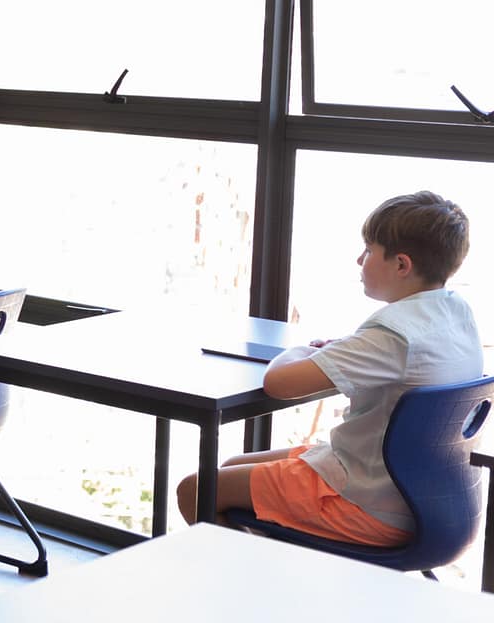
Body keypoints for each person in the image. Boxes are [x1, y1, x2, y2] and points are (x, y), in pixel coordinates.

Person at [177, 191, 480, 542]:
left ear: (401, 265)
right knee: (229, 470)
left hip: (369, 505)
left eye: (368, 250)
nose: (358, 260)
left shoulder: (393, 334)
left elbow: (279, 382)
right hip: (430, 502)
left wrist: (303, 349)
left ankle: (251, 583)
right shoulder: (457, 314)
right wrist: (344, 350)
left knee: (196, 490)